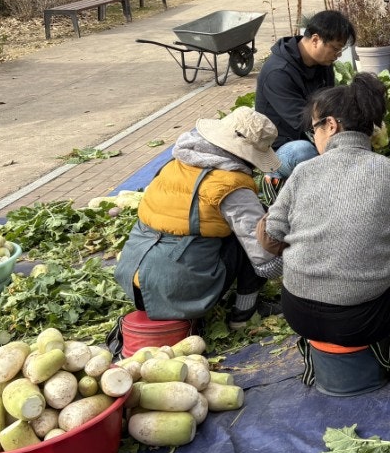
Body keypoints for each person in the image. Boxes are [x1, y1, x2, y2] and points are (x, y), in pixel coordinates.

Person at [257, 73, 390, 382]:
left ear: (331, 125)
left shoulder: (303, 171)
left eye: (313, 129)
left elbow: (270, 240)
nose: (314, 137)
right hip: (361, 321)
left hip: (297, 313)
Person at [114, 107, 284, 330]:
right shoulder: (231, 185)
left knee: (226, 229)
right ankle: (244, 314)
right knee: (259, 233)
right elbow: (265, 262)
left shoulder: (175, 163)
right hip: (175, 288)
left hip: (133, 278)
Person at [254, 9, 355, 179]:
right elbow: (306, 121)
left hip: (315, 136)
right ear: (315, 40)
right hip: (277, 151)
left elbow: (328, 106)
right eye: (336, 49)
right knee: (303, 152)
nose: (338, 56)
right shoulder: (278, 73)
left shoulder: (323, 63)